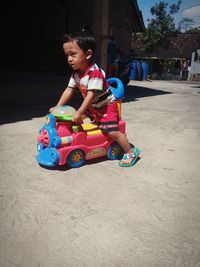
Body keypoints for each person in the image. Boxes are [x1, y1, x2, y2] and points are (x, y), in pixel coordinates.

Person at [49, 30, 140, 167]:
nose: (69, 59)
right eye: (67, 55)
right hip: (93, 107)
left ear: (88, 54)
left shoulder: (95, 73)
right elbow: (69, 90)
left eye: (73, 54)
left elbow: (91, 94)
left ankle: (131, 151)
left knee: (112, 131)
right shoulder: (76, 74)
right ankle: (79, 142)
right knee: (73, 120)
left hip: (106, 107)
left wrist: (80, 111)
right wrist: (58, 106)